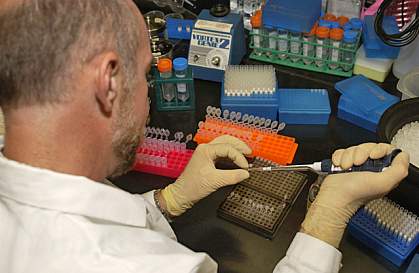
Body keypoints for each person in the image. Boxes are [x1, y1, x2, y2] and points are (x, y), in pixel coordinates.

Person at [0, 1, 409, 273]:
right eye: (145, 75)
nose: (148, 96)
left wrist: (168, 200)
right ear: (107, 81)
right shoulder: (136, 264)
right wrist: (329, 214)